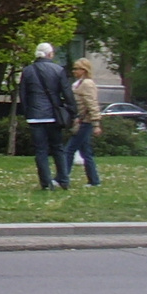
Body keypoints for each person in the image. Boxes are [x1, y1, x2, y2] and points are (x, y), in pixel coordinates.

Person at [19, 41, 75, 191]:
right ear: (50, 54)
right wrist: (72, 111)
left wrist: (28, 112)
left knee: (40, 150)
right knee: (58, 148)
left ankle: (46, 183)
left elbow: (23, 95)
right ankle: (63, 179)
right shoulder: (58, 70)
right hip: (53, 115)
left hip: (35, 116)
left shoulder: (28, 71)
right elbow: (67, 93)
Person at [63, 58, 103, 187]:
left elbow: (92, 104)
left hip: (85, 122)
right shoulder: (79, 84)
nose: (74, 71)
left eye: (76, 69)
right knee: (86, 152)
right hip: (81, 121)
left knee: (68, 150)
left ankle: (62, 178)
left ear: (84, 70)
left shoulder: (87, 84)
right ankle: (94, 180)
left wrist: (96, 124)